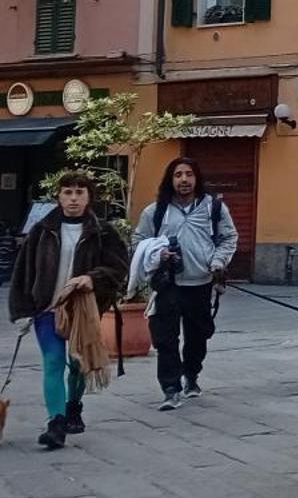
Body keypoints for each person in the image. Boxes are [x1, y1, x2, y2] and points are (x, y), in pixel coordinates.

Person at [7, 171, 127, 450]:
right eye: (68, 193)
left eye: (79, 192)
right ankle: (56, 423)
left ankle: (74, 405)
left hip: (82, 310)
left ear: (89, 197)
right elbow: (24, 269)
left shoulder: (103, 232)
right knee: (52, 361)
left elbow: (119, 267)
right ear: (58, 196)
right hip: (47, 309)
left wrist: (92, 278)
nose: (73, 198)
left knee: (76, 365)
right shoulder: (42, 230)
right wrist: (24, 306)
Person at [133, 157, 238, 411]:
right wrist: (158, 255)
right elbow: (137, 242)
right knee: (165, 339)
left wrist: (218, 262)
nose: (183, 180)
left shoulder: (214, 208)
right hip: (167, 284)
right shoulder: (154, 211)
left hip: (201, 283)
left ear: (197, 178)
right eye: (178, 174)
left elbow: (229, 237)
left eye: (189, 174)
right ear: (170, 179)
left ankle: (191, 375)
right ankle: (170, 388)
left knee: (198, 336)